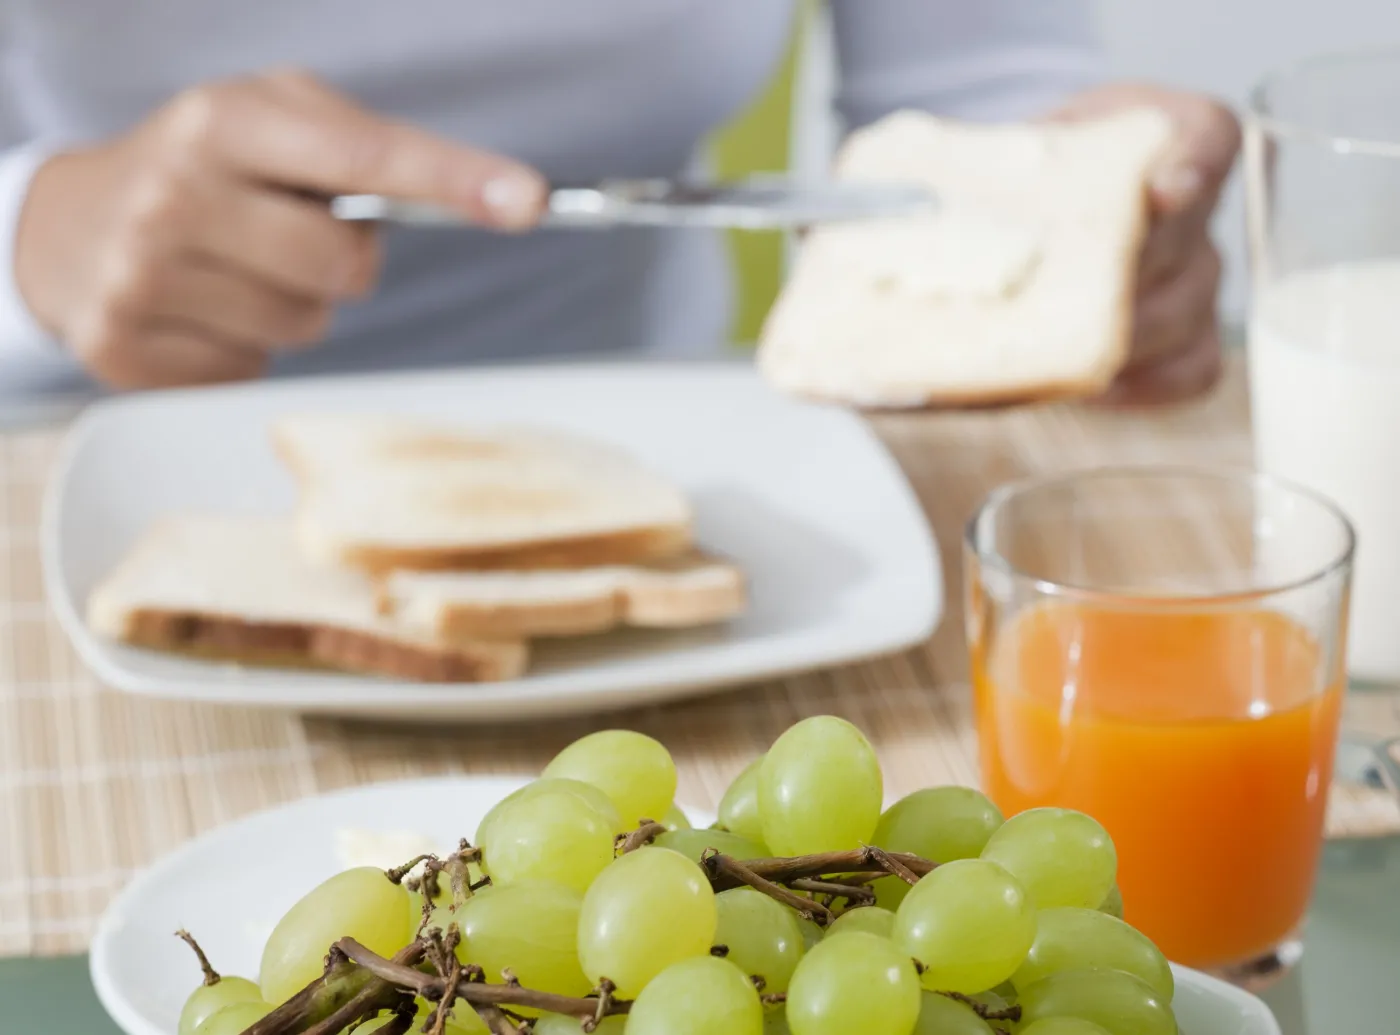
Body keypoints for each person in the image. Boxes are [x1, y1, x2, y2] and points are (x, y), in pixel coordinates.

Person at [0, 1, 1237, 405]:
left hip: (670, 429)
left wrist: (1082, 230)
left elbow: (973, 90)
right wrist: (31, 237)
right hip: (57, 449)